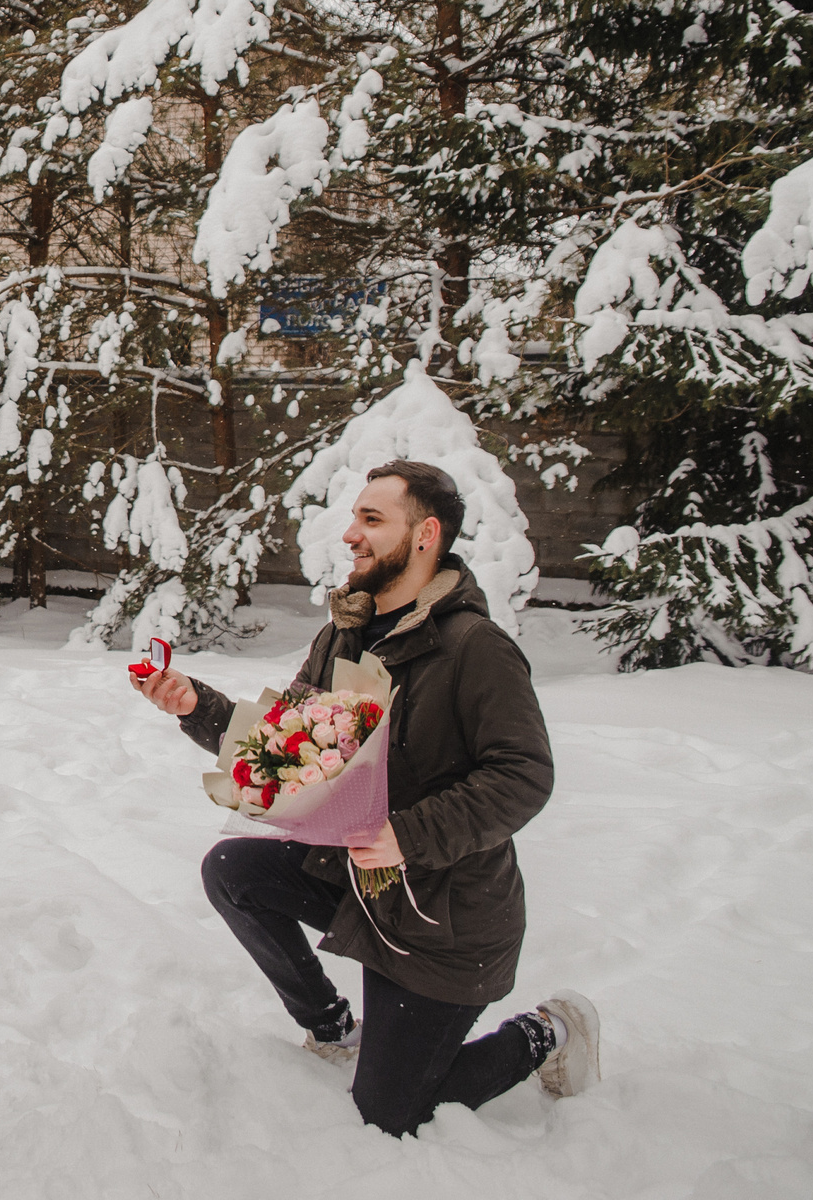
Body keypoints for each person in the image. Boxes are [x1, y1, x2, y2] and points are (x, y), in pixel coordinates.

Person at [132, 460, 602, 1136]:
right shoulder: (346, 632)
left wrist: (407, 834)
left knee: (393, 1113)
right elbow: (287, 750)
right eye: (354, 517)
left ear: (425, 535)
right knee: (233, 872)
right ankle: (333, 1029)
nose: (350, 534)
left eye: (371, 519)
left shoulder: (474, 648)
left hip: (440, 920)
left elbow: (525, 774)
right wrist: (194, 705)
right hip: (362, 883)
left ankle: (550, 1031)